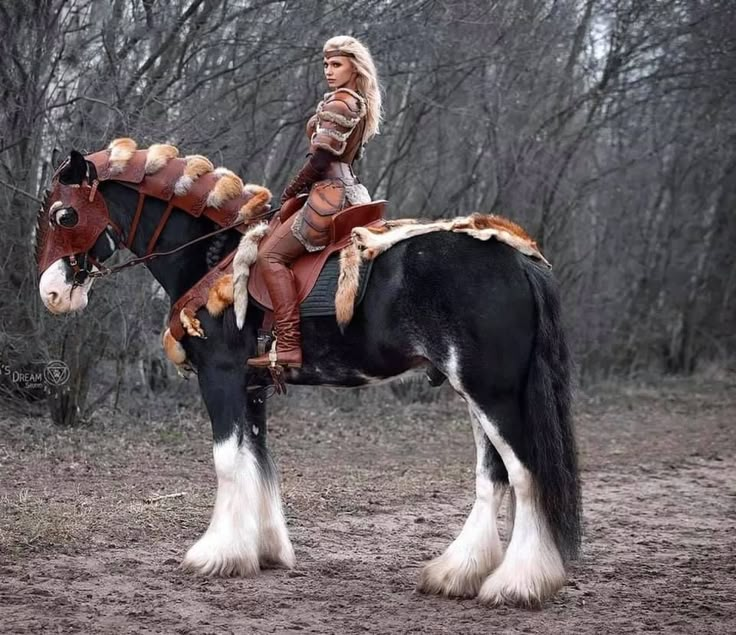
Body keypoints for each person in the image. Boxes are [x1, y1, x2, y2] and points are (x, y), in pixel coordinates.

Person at [247, 35, 382, 369]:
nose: (328, 70)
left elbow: (321, 159)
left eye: (336, 64)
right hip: (348, 189)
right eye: (325, 64)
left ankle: (290, 344)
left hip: (328, 195)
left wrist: (291, 189)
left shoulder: (341, 102)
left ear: (354, 66)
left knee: (270, 255)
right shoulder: (357, 102)